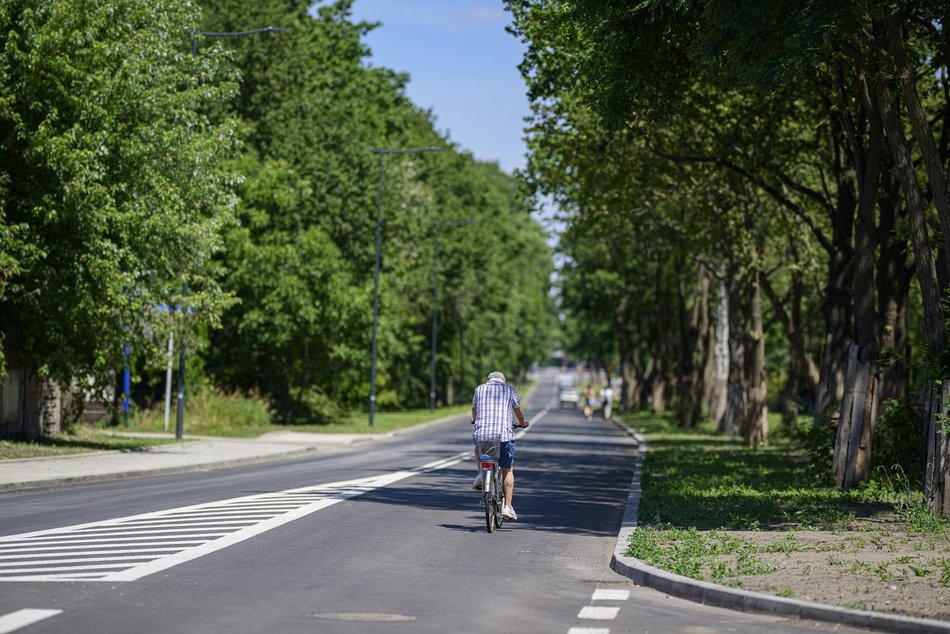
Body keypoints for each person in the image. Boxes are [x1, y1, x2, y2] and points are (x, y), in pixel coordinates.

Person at [471, 371, 529, 520]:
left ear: (488, 380)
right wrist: (523, 423)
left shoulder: (479, 389)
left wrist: (474, 420)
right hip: (503, 436)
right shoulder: (509, 390)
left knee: (478, 447)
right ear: (503, 381)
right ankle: (507, 508)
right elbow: (518, 412)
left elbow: (474, 411)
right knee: (507, 470)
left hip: (483, 435)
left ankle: (480, 474)